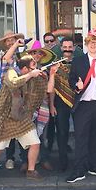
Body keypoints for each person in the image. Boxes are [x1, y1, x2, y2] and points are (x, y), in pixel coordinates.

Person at [0, 55, 58, 184]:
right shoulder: (11, 72)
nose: (36, 69)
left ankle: (31, 171)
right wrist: (31, 75)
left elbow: (49, 89)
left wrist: (52, 74)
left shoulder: (36, 79)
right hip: (5, 118)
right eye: (33, 66)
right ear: (25, 68)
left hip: (22, 118)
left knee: (35, 143)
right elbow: (14, 84)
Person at [67, 29, 96, 183]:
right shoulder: (78, 61)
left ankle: (94, 166)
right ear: (86, 44)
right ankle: (79, 169)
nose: (93, 45)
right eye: (90, 43)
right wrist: (77, 85)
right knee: (81, 138)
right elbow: (71, 80)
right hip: (83, 106)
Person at [22, 40, 57, 172]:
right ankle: (25, 161)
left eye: (39, 53)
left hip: (42, 106)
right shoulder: (23, 70)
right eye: (34, 53)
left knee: (42, 135)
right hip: (26, 107)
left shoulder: (45, 72)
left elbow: (50, 90)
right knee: (24, 134)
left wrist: (52, 105)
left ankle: (44, 159)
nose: (37, 55)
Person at [50, 37, 82, 171]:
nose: (67, 50)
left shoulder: (80, 63)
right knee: (62, 133)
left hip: (78, 102)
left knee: (80, 133)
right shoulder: (55, 65)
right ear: (61, 48)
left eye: (70, 47)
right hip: (60, 102)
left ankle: (80, 162)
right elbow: (51, 88)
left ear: (74, 48)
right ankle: (63, 162)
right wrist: (51, 105)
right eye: (65, 47)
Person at [0, 30, 25, 170]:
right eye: (8, 41)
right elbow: (7, 59)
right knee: (9, 131)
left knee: (22, 128)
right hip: (7, 98)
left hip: (20, 97)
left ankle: (24, 159)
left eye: (13, 39)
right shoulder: (3, 56)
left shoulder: (20, 57)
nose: (11, 42)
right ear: (5, 44)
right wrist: (16, 46)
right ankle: (9, 158)